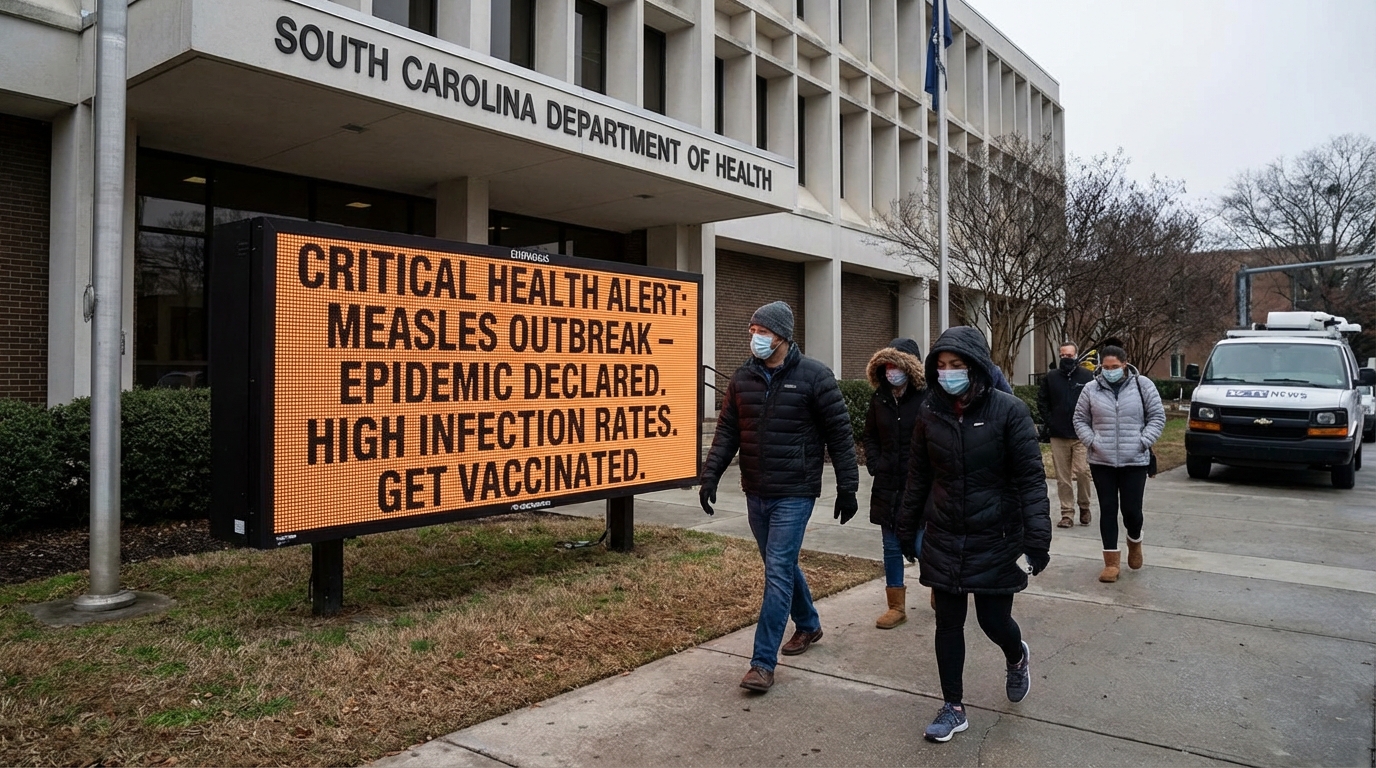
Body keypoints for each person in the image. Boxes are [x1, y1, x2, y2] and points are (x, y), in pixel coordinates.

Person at [894, 327, 1052, 743]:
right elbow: (918, 477)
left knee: (993, 620)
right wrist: (905, 527)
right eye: (941, 367)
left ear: (976, 367)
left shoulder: (1009, 412)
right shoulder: (930, 412)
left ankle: (1017, 657)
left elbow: (1032, 481)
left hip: (996, 536)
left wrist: (1037, 540)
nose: (948, 374)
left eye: (957, 366)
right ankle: (953, 707)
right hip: (945, 533)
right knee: (948, 623)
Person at [699, 301, 860, 693]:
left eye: (763, 331)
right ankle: (808, 624)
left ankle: (762, 663)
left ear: (783, 336)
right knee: (781, 566)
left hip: (796, 491)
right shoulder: (742, 379)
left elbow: (840, 435)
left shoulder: (816, 378)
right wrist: (711, 476)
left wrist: (848, 486)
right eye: (752, 330)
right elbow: (727, 433)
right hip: (756, 490)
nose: (755, 338)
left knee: (776, 571)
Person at [1072, 345, 1165, 583]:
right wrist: (1092, 441)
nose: (1110, 371)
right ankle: (1111, 562)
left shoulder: (1143, 386)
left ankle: (1135, 541)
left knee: (1132, 511)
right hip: (1101, 460)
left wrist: (1143, 441)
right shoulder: (1091, 389)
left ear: (1125, 364)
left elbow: (1157, 417)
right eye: (1106, 367)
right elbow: (1080, 419)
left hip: (1134, 460)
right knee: (1108, 509)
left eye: (1115, 367)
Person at [861, 337, 927, 629]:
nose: (891, 371)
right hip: (887, 483)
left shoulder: (927, 398)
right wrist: (876, 463)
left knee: (923, 543)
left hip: (920, 483)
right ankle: (896, 606)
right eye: (886, 366)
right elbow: (870, 435)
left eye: (896, 365)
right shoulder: (880, 399)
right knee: (890, 545)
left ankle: (941, 589)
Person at [1037, 342, 1096, 528]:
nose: (1066, 359)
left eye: (1069, 355)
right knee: (1063, 477)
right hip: (1058, 434)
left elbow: (1095, 402)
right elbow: (1042, 400)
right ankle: (1067, 513)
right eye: (1063, 355)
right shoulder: (1051, 377)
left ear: (1076, 356)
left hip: (1081, 434)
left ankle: (1085, 507)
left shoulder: (1087, 377)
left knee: (1082, 472)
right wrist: (1050, 421)